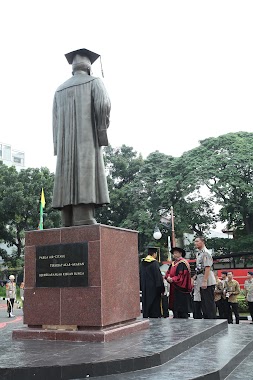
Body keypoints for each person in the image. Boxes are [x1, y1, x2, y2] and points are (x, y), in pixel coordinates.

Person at [52, 48, 111, 226]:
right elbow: (103, 106)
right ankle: (83, 216)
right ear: (88, 67)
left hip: (65, 144)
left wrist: (57, 145)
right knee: (85, 171)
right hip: (87, 138)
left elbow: (54, 120)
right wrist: (101, 131)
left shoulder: (59, 90)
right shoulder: (94, 82)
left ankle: (67, 217)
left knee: (66, 173)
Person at [165, 247, 192, 318]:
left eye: (176, 253)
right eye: (173, 253)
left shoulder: (183, 263)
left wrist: (173, 279)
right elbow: (167, 272)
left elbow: (182, 275)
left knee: (181, 307)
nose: (174, 254)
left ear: (180, 253)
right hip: (173, 287)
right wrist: (167, 277)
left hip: (181, 288)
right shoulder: (173, 263)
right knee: (174, 306)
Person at [193, 236, 216, 319]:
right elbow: (198, 268)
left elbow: (207, 267)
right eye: (195, 241)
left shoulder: (206, 252)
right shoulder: (199, 253)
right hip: (200, 278)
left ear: (202, 242)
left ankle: (212, 319)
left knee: (208, 302)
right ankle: (206, 319)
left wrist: (205, 281)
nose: (195, 243)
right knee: (203, 302)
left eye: (197, 241)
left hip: (207, 280)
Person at [140, 247, 165, 318]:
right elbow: (158, 276)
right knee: (154, 304)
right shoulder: (154, 263)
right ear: (154, 254)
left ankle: (146, 314)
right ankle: (154, 315)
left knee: (146, 302)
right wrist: (161, 288)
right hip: (154, 288)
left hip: (145, 287)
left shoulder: (142, 263)